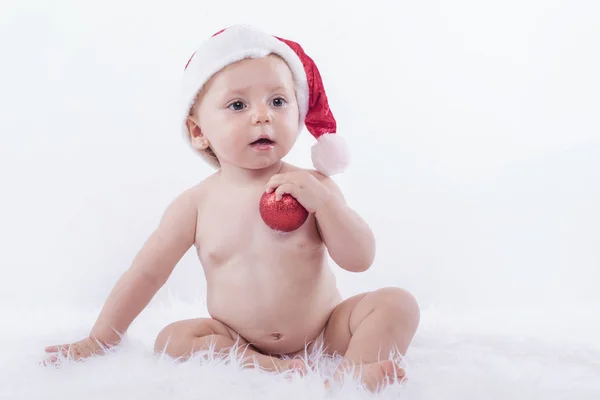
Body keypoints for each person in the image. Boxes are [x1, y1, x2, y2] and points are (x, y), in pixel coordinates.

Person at [43, 24, 420, 392]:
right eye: (238, 105)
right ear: (198, 131)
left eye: (278, 101)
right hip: (237, 337)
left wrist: (324, 205)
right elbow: (145, 275)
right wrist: (98, 338)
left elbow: (360, 258)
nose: (262, 115)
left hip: (325, 330)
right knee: (173, 339)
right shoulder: (195, 204)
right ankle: (267, 366)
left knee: (397, 304)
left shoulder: (315, 187)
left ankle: (353, 373)